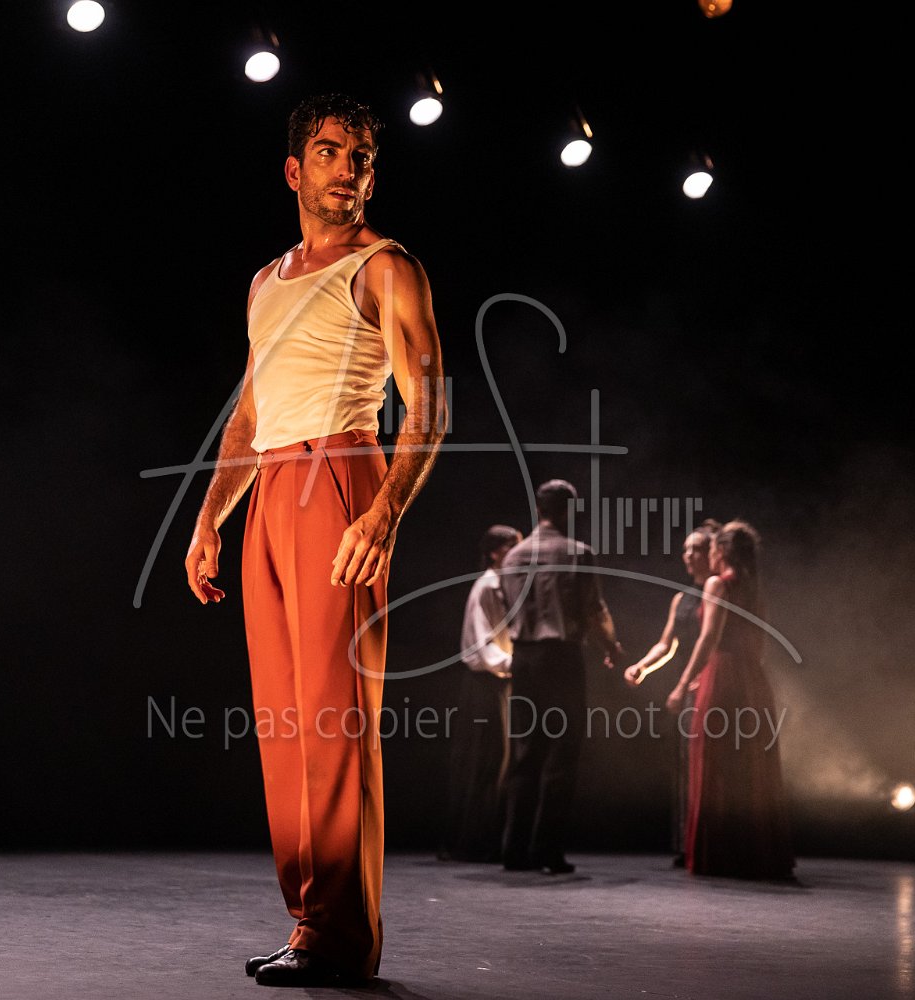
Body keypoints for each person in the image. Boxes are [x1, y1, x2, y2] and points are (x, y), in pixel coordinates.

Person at [182, 93, 447, 987]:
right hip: (270, 491)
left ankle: (341, 937)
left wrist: (384, 511)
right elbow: (249, 414)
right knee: (285, 726)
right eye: (331, 152)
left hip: (341, 476)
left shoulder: (387, 267)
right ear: (295, 170)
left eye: (362, 155)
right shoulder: (265, 282)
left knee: (336, 721)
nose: (349, 168)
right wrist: (209, 518)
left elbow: (430, 404)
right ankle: (309, 923)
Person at [497, 479, 627, 874]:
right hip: (562, 660)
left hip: (524, 658)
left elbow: (507, 609)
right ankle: (546, 851)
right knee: (561, 755)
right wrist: (610, 647)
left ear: (539, 509)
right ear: (568, 510)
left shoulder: (513, 556)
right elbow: (593, 608)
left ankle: (514, 850)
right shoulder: (578, 553)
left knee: (524, 754)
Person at [664, 520, 795, 880]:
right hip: (753, 678)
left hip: (721, 677)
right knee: (750, 765)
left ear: (720, 551)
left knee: (717, 763)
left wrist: (683, 684)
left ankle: (721, 855)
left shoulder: (717, 584)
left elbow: (708, 639)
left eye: (711, 549)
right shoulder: (753, 588)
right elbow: (760, 641)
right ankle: (753, 854)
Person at [621, 519, 720, 866]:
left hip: (712, 681)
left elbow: (715, 640)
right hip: (690, 684)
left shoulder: (721, 590)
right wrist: (641, 667)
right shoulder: (682, 598)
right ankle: (687, 844)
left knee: (711, 762)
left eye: (697, 549)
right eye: (686, 549)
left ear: (713, 553)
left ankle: (713, 841)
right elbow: (667, 644)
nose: (688, 555)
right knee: (685, 762)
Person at [440, 524, 521, 863]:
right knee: (481, 762)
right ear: (494, 553)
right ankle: (468, 843)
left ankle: (485, 839)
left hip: (497, 682)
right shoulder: (486, 586)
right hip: (483, 684)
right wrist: (520, 665)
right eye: (511, 547)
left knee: (496, 763)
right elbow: (484, 645)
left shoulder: (504, 586)